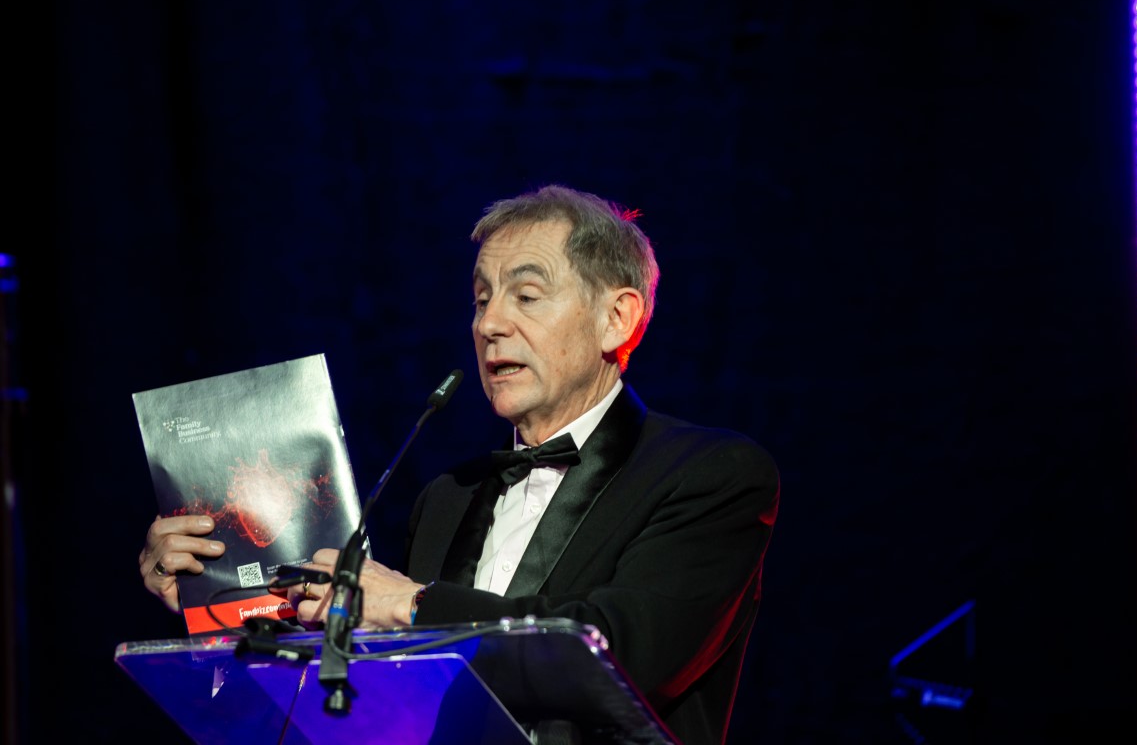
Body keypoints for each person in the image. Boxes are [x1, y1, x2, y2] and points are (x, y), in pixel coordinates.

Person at [140, 184, 780, 745]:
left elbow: (620, 652)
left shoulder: (711, 473)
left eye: (526, 295)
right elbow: (367, 700)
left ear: (618, 317)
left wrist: (412, 605)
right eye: (480, 299)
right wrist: (220, 599)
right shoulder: (448, 496)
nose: (489, 322)